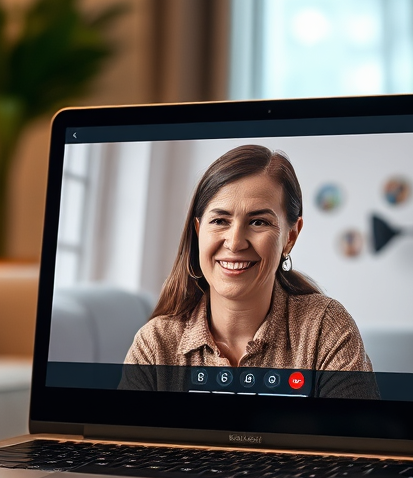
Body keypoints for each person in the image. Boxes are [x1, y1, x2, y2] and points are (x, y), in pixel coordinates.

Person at [122, 145, 376, 397]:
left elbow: (356, 435)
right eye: (220, 221)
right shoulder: (154, 343)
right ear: (199, 231)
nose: (234, 242)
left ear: (290, 236)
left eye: (258, 222)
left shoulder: (326, 328)